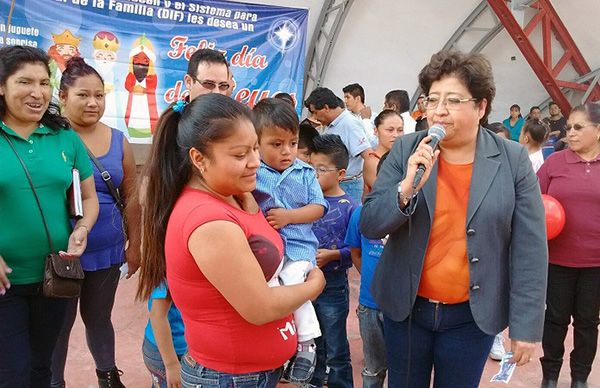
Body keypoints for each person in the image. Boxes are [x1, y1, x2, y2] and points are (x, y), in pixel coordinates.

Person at [360, 50, 548, 388]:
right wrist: (404, 189)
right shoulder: (407, 150)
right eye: (432, 100)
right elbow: (371, 223)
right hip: (407, 308)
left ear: (481, 106)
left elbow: (529, 248)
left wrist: (526, 326)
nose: (439, 110)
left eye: (453, 100)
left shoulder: (513, 160)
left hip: (471, 315)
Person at [136, 93, 325, 388]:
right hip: (230, 377)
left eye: (254, 148)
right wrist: (313, 286)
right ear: (198, 158)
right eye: (240, 155)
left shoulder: (234, 195)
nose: (254, 162)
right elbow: (259, 307)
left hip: (247, 373)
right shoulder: (209, 221)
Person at [0, 45, 99, 387]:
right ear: (2, 86)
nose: (37, 93)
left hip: (54, 276)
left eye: (44, 83)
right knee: (12, 373)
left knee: (42, 366)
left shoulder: (64, 137)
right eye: (25, 82)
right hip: (5, 281)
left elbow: (88, 196)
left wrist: (83, 227)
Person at [50, 57, 141, 388]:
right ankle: (52, 381)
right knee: (58, 325)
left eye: (99, 95)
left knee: (99, 318)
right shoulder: (49, 137)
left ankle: (108, 376)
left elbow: (131, 195)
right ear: (63, 96)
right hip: (60, 252)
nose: (93, 102)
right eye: (83, 95)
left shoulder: (119, 140)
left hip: (108, 249)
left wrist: (137, 244)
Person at [252, 98, 328, 383]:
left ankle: (307, 342)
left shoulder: (305, 172)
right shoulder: (253, 172)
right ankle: (282, 344)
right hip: (266, 252)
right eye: (276, 144)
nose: (287, 151)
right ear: (256, 142)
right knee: (270, 292)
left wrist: (289, 217)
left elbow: (319, 208)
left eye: (293, 143)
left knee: (295, 285)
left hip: (298, 250)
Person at [537, 102, 600, 388]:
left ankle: (580, 377)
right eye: (568, 128)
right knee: (555, 320)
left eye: (578, 127)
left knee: (587, 324)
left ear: (597, 131)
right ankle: (549, 375)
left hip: (595, 265)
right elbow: (534, 204)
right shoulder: (555, 163)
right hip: (557, 260)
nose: (570, 133)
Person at [309, 134, 358, 388]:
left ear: (340, 173)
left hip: (333, 284)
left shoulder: (350, 206)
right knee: (313, 338)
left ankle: (341, 382)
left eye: (321, 169)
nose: (314, 174)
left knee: (336, 343)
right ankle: (315, 380)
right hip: (307, 283)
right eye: (311, 168)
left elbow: (355, 248)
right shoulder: (307, 201)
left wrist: (332, 255)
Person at [345, 157, 388, 388]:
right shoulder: (361, 214)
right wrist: (374, 282)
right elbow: (356, 254)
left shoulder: (416, 218)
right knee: (373, 368)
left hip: (404, 308)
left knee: (405, 367)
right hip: (369, 305)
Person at [304, 87, 372, 203]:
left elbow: (368, 155)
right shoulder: (331, 125)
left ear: (326, 108)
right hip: (332, 184)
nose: (315, 117)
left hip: (348, 185)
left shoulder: (349, 124)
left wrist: (368, 188)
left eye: (315, 112)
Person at [143, 282, 187, 388]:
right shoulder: (167, 276)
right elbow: (157, 317)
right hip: (168, 352)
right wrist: (171, 364)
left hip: (172, 349)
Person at [363, 109, 403, 198]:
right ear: (376, 131)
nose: (395, 135)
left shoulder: (403, 157)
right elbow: (387, 196)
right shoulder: (373, 162)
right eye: (390, 130)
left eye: (400, 130)